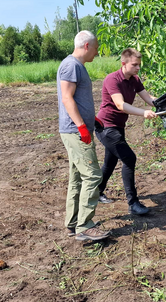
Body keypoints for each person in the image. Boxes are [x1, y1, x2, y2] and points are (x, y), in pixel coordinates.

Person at [57, 30, 109, 241]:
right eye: (96, 48)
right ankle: (85, 226)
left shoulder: (78, 66)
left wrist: (91, 120)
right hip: (74, 131)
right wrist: (81, 127)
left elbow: (77, 99)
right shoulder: (71, 65)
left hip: (78, 128)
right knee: (93, 176)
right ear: (87, 46)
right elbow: (67, 98)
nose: (96, 53)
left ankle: (73, 223)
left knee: (78, 178)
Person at [96, 48, 158, 215]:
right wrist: (143, 112)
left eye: (139, 65)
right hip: (105, 126)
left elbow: (149, 98)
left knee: (110, 162)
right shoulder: (112, 79)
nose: (138, 68)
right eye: (135, 65)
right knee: (129, 158)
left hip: (118, 126)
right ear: (124, 64)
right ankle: (133, 203)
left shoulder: (134, 80)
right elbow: (120, 105)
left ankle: (96, 192)